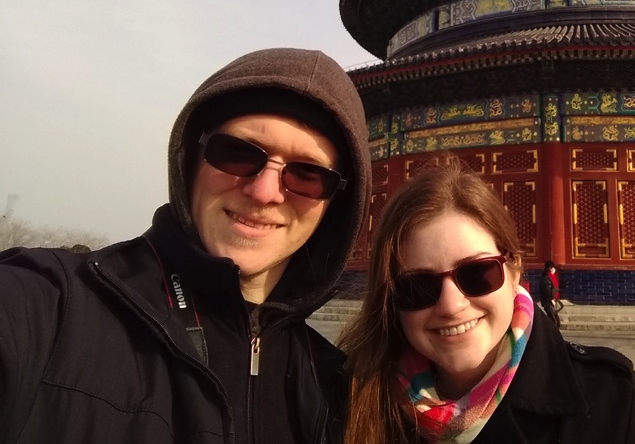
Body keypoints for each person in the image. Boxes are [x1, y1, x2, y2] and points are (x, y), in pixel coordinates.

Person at [0, 47, 372, 442]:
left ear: (337, 204)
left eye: (308, 174)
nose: (264, 193)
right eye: (237, 153)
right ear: (190, 159)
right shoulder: (50, 307)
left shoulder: (336, 387)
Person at [338, 155, 635, 443]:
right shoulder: (348, 398)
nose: (451, 305)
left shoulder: (609, 401)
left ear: (513, 269)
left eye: (477, 274)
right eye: (418, 287)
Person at [540, 259, 562, 328]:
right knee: (554, 321)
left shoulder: (552, 278)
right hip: (548, 302)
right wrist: (557, 289)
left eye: (553, 268)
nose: (552, 269)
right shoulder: (546, 279)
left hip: (552, 302)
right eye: (550, 268)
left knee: (554, 321)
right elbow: (549, 293)